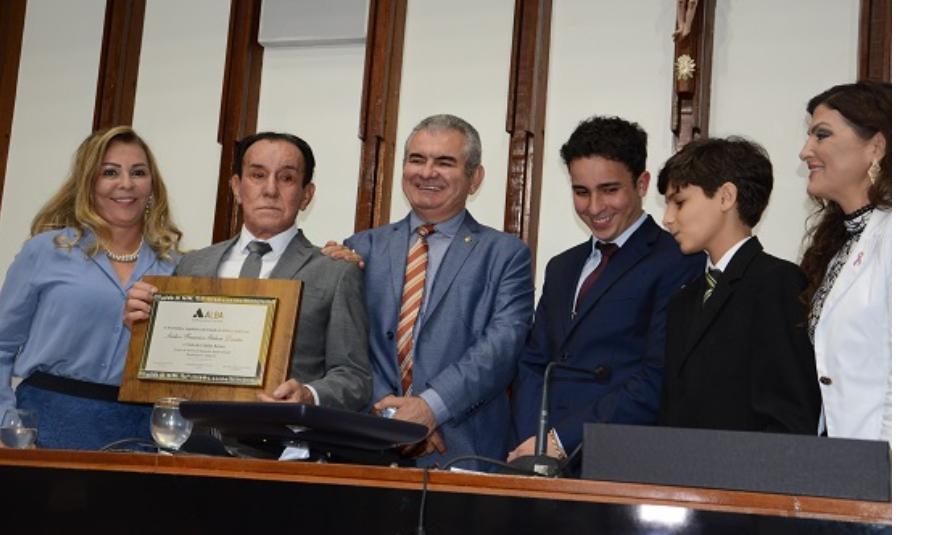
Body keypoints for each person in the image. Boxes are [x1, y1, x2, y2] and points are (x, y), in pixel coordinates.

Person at [341, 114, 534, 470]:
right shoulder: (360, 248)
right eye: (417, 159)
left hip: (463, 451)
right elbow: (347, 345)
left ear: (475, 178)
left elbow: (501, 348)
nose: (427, 172)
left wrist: (429, 408)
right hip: (369, 445)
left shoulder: (506, 255)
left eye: (444, 162)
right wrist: (393, 417)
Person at [125, 132, 370, 411]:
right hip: (195, 433)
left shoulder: (335, 272)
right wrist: (144, 331)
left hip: (280, 435)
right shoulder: (192, 266)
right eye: (258, 175)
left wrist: (309, 395)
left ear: (306, 195)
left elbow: (354, 378)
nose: (270, 190)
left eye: (287, 178)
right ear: (237, 187)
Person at [508, 116, 703, 464]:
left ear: (642, 184)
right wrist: (533, 442)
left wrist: (561, 440)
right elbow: (533, 363)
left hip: (619, 459)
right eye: (581, 192)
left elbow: (657, 377)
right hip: (538, 456)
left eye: (609, 190)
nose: (595, 207)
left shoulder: (677, 260)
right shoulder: (562, 267)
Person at [0, 126, 182, 450]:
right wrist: (6, 423)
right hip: (46, 423)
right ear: (88, 183)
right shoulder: (45, 251)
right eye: (110, 172)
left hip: (140, 432)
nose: (126, 183)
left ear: (152, 185)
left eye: (138, 172)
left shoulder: (176, 267)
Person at [656, 136, 820, 433]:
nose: (667, 219)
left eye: (679, 202)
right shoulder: (684, 299)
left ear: (726, 197)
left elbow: (791, 414)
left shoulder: (777, 283)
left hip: (751, 461)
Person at [798, 82, 891, 443]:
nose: (805, 151)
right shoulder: (837, 243)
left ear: (876, 147)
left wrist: (885, 465)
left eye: (822, 135)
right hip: (840, 455)